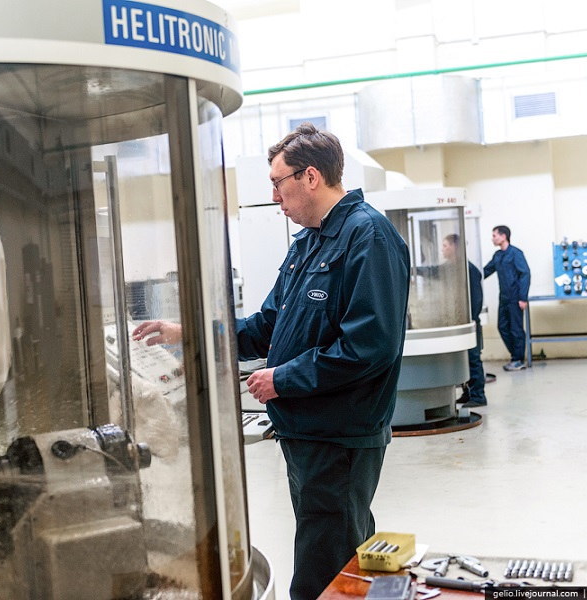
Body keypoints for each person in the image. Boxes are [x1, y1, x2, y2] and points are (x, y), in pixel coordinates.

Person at [133, 123, 410, 600]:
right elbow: (266, 325)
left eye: (278, 183)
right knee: (333, 548)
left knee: (324, 566)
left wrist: (284, 379)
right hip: (305, 430)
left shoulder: (368, 237)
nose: (275, 197)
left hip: (339, 435)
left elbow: (369, 346)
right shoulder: (308, 243)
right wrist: (191, 334)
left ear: (310, 177)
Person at [441, 234, 487, 407]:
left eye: (445, 245)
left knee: (473, 360)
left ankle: (478, 396)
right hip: (460, 323)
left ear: (454, 247)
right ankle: (467, 393)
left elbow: (476, 301)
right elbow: (434, 271)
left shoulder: (469, 270)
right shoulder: (451, 268)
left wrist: (469, 321)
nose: (442, 249)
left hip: (470, 324)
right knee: (463, 360)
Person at [483, 225, 531, 371]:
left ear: (503, 236)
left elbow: (525, 274)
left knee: (516, 329)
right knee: (502, 327)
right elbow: (486, 270)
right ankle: (515, 355)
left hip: (515, 297)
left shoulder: (516, 253)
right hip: (503, 297)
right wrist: (470, 276)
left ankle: (518, 360)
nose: (492, 239)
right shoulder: (498, 255)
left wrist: (523, 298)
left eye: (494, 235)